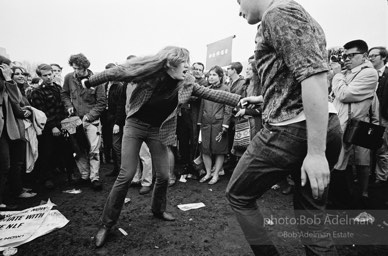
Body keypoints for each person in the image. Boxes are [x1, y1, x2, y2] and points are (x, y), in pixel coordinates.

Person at [82, 46, 241, 248]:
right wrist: (90, 81)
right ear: (170, 63)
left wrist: (240, 100)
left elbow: (210, 93)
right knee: (126, 174)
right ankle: (107, 223)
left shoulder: (187, 82)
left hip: (158, 130)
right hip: (136, 126)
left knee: (164, 175)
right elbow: (117, 71)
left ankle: (158, 209)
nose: (188, 66)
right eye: (185, 62)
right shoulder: (149, 73)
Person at [226, 1, 342, 255]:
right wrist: (265, 99)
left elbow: (313, 76)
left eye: (237, 1)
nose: (238, 10)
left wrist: (315, 153)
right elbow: (295, 76)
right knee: (312, 220)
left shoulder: (278, 14)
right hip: (317, 124)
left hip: (293, 129)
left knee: (238, 195)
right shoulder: (294, 13)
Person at [331, 40, 378, 204]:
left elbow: (344, 95)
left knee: (348, 163)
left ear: (364, 56)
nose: (347, 59)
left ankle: (347, 201)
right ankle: (340, 199)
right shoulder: (348, 72)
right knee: (338, 162)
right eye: (345, 55)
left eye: (351, 55)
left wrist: (337, 75)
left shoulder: (369, 73)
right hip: (339, 122)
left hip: (352, 125)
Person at [61, 53, 106, 191]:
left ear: (85, 67)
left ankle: (95, 178)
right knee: (78, 149)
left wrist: (89, 116)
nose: (76, 71)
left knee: (94, 150)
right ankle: (84, 176)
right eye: (74, 68)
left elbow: (102, 102)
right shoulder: (69, 78)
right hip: (74, 119)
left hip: (91, 120)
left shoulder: (96, 80)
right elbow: (64, 94)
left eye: (79, 68)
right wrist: (69, 106)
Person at [0, 56, 35, 212]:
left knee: (15, 163)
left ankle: (16, 191)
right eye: (7, 67)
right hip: (4, 129)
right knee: (5, 166)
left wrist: (8, 79)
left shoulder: (7, 83)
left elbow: (17, 100)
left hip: (11, 128)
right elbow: (17, 105)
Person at [28, 64, 68, 189]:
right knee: (46, 153)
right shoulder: (37, 92)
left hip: (61, 124)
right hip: (47, 128)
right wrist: (52, 127)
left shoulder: (57, 88)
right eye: (45, 75)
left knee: (61, 151)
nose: (49, 77)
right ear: (40, 76)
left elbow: (62, 106)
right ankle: (47, 178)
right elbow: (42, 112)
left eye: (50, 74)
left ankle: (60, 176)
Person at [198, 65, 232, 185]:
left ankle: (216, 174)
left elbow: (228, 108)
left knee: (219, 150)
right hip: (205, 124)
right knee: (205, 149)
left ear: (220, 76)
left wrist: (225, 125)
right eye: (209, 75)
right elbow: (202, 107)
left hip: (219, 124)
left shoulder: (226, 89)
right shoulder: (206, 89)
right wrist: (199, 121)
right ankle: (208, 173)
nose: (211, 77)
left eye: (214, 75)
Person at [368, 47, 388, 185]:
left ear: (383, 58)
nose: (371, 58)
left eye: (374, 55)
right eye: (369, 56)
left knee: (382, 148)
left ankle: (381, 178)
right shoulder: (368, 74)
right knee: (367, 146)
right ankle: (368, 174)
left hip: (384, 117)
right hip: (369, 116)